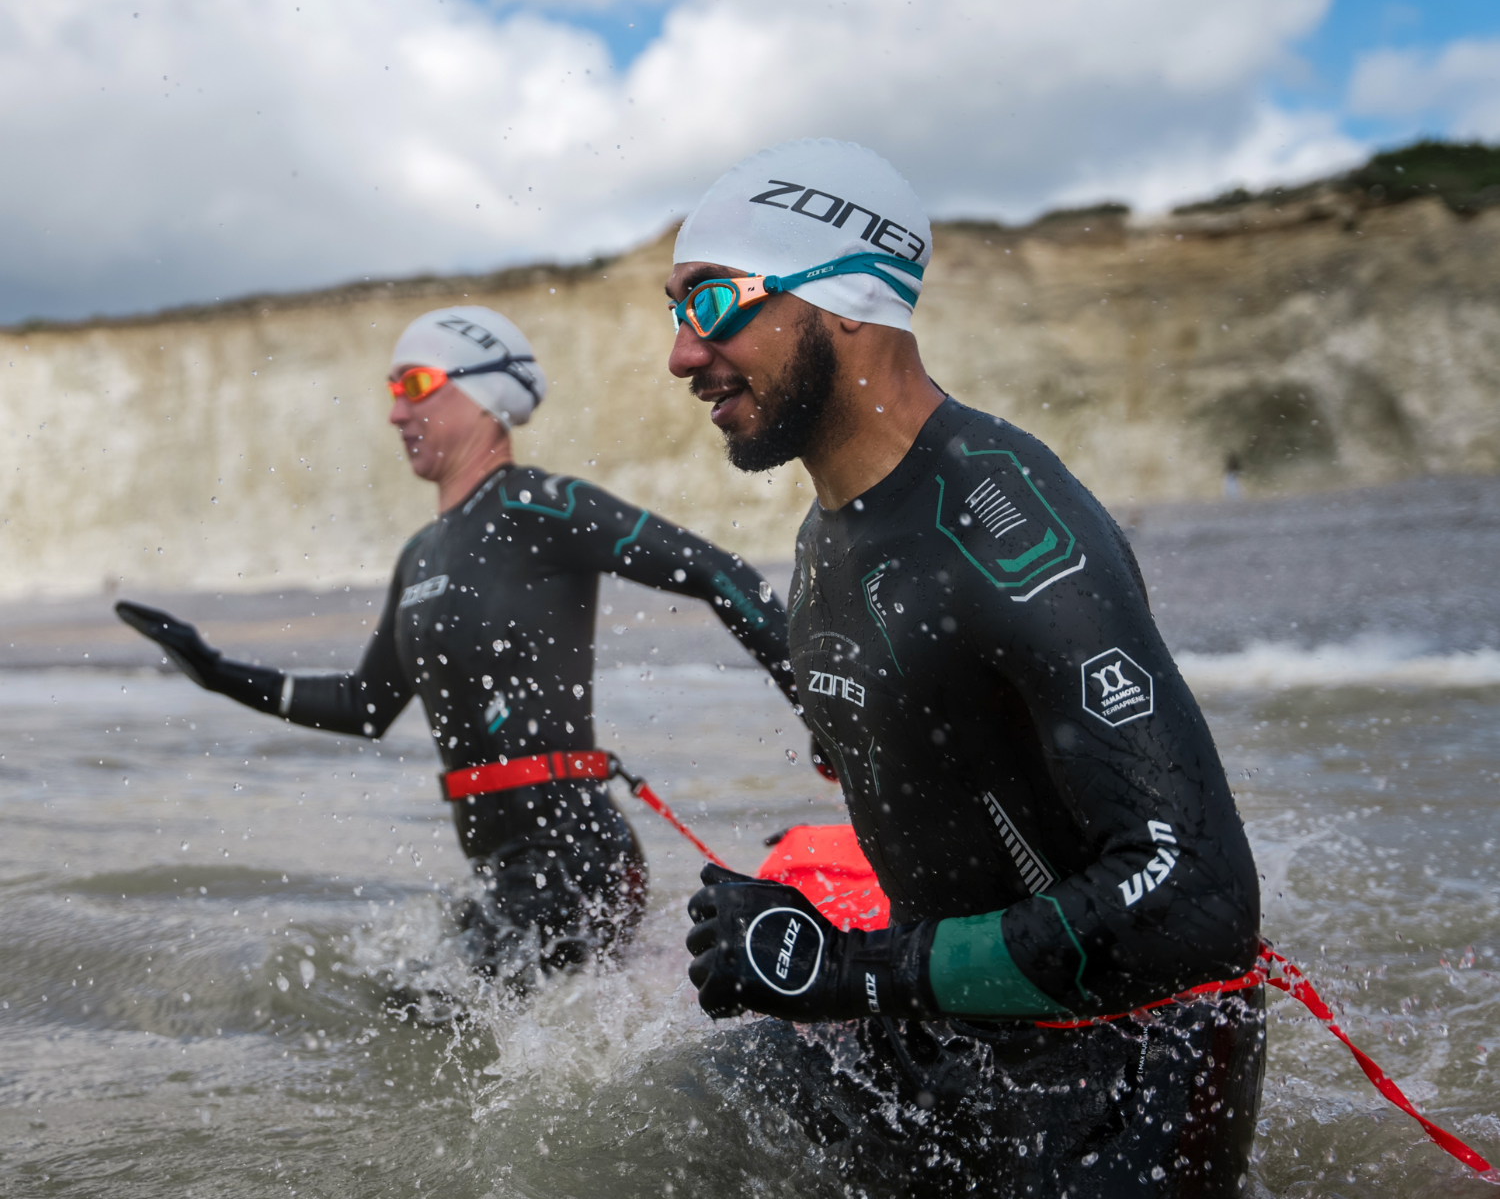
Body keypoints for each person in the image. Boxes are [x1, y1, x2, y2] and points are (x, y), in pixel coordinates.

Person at [666, 140, 1264, 1196]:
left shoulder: (1004, 524)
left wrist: (842, 971)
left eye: (711, 304)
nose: (680, 354)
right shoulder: (825, 541)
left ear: (842, 301)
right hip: (946, 1031)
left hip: (1119, 1079)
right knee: (646, 1121)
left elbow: (1196, 899)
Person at [118, 305, 797, 987]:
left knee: (440, 1025)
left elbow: (718, 573)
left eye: (413, 385)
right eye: (390, 392)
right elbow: (364, 705)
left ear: (483, 392)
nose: (394, 414)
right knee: (405, 1010)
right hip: (503, 867)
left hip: (572, 853)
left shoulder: (546, 507)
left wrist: (819, 708)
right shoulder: (420, 555)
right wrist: (216, 672)